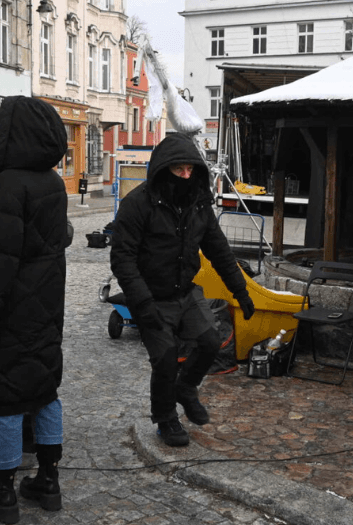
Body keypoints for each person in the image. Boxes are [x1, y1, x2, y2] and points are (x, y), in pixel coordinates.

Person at [0, 96, 68, 524]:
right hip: (43, 310)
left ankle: (3, 493)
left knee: (0, 399)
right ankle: (47, 480)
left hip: (8, 315)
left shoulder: (8, 185)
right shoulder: (52, 182)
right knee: (42, 392)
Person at [110, 132, 255, 447]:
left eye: (191, 170)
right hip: (151, 296)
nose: (186, 176)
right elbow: (122, 259)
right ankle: (166, 419)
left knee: (211, 342)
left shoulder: (198, 205)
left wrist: (241, 291)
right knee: (165, 359)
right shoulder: (137, 205)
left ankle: (186, 387)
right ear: (164, 169)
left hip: (185, 292)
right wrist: (143, 304)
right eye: (179, 170)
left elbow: (219, 251)